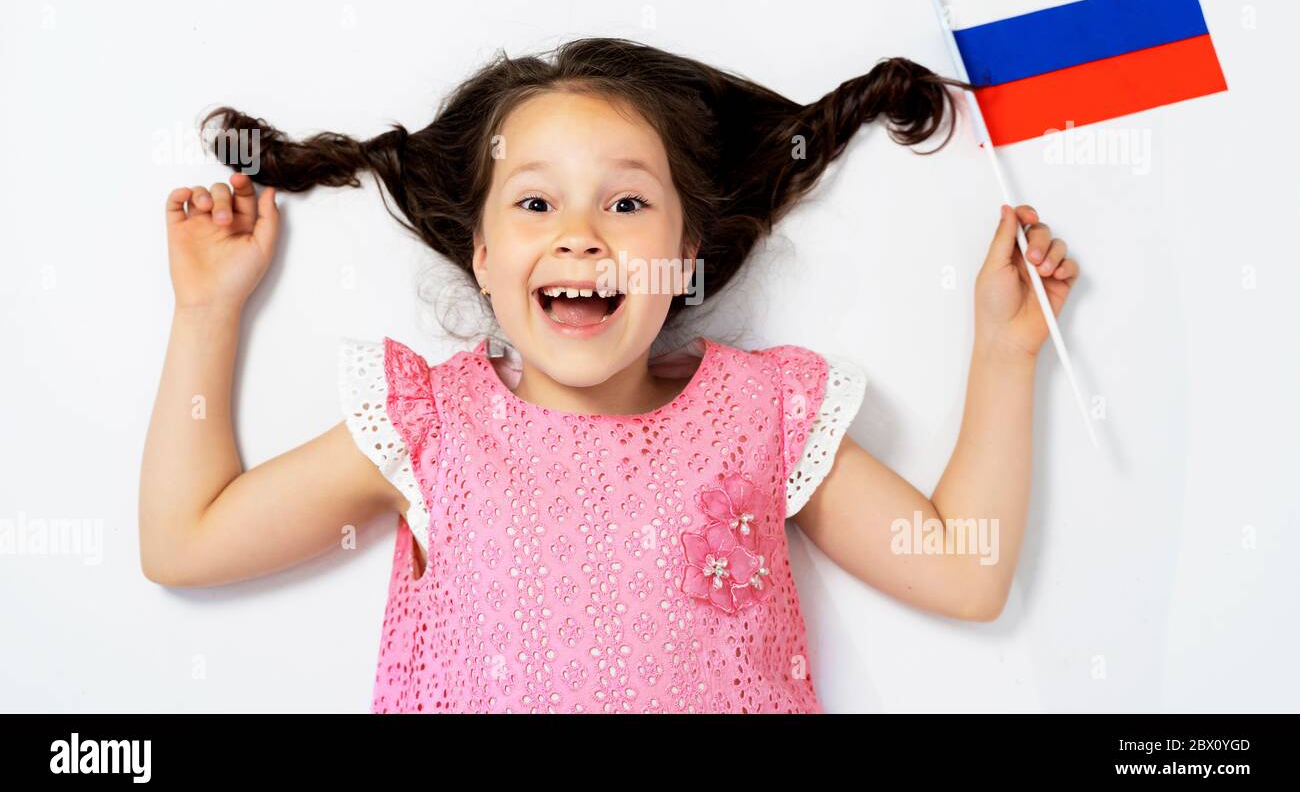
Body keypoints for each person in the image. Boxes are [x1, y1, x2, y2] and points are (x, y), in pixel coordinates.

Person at [139, 37, 1079, 712]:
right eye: (536, 201)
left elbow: (964, 573)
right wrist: (206, 311)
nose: (579, 232)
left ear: (686, 248)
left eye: (627, 201)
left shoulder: (761, 416)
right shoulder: (427, 427)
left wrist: (1006, 353)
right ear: (479, 255)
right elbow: (185, 543)